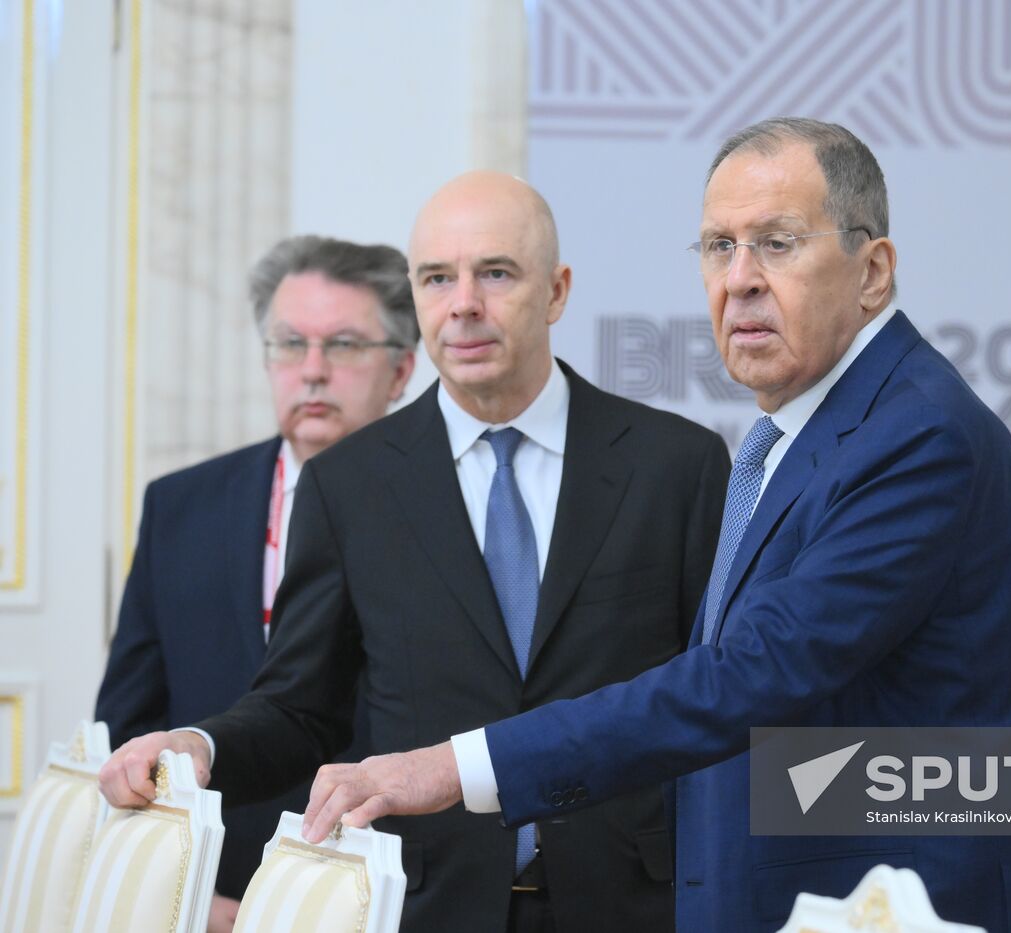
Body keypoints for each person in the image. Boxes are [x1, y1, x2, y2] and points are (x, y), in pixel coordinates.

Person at [286, 118, 1011, 932]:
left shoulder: (916, 435)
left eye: (777, 243)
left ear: (872, 272)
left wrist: (458, 763)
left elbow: (750, 674)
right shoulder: (792, 437)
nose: (741, 280)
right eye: (718, 247)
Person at [100, 172, 730, 932]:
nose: (464, 302)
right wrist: (201, 745)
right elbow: (301, 708)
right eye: (437, 277)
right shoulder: (347, 485)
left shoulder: (676, 465)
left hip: (632, 905)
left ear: (557, 292)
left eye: (496, 273)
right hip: (425, 907)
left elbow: (719, 700)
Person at [94, 235, 417, 927]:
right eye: (288, 343)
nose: (312, 371)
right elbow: (129, 726)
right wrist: (185, 893)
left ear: (401, 370)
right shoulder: (181, 506)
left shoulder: (445, 514)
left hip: (391, 900)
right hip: (209, 899)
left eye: (345, 345)